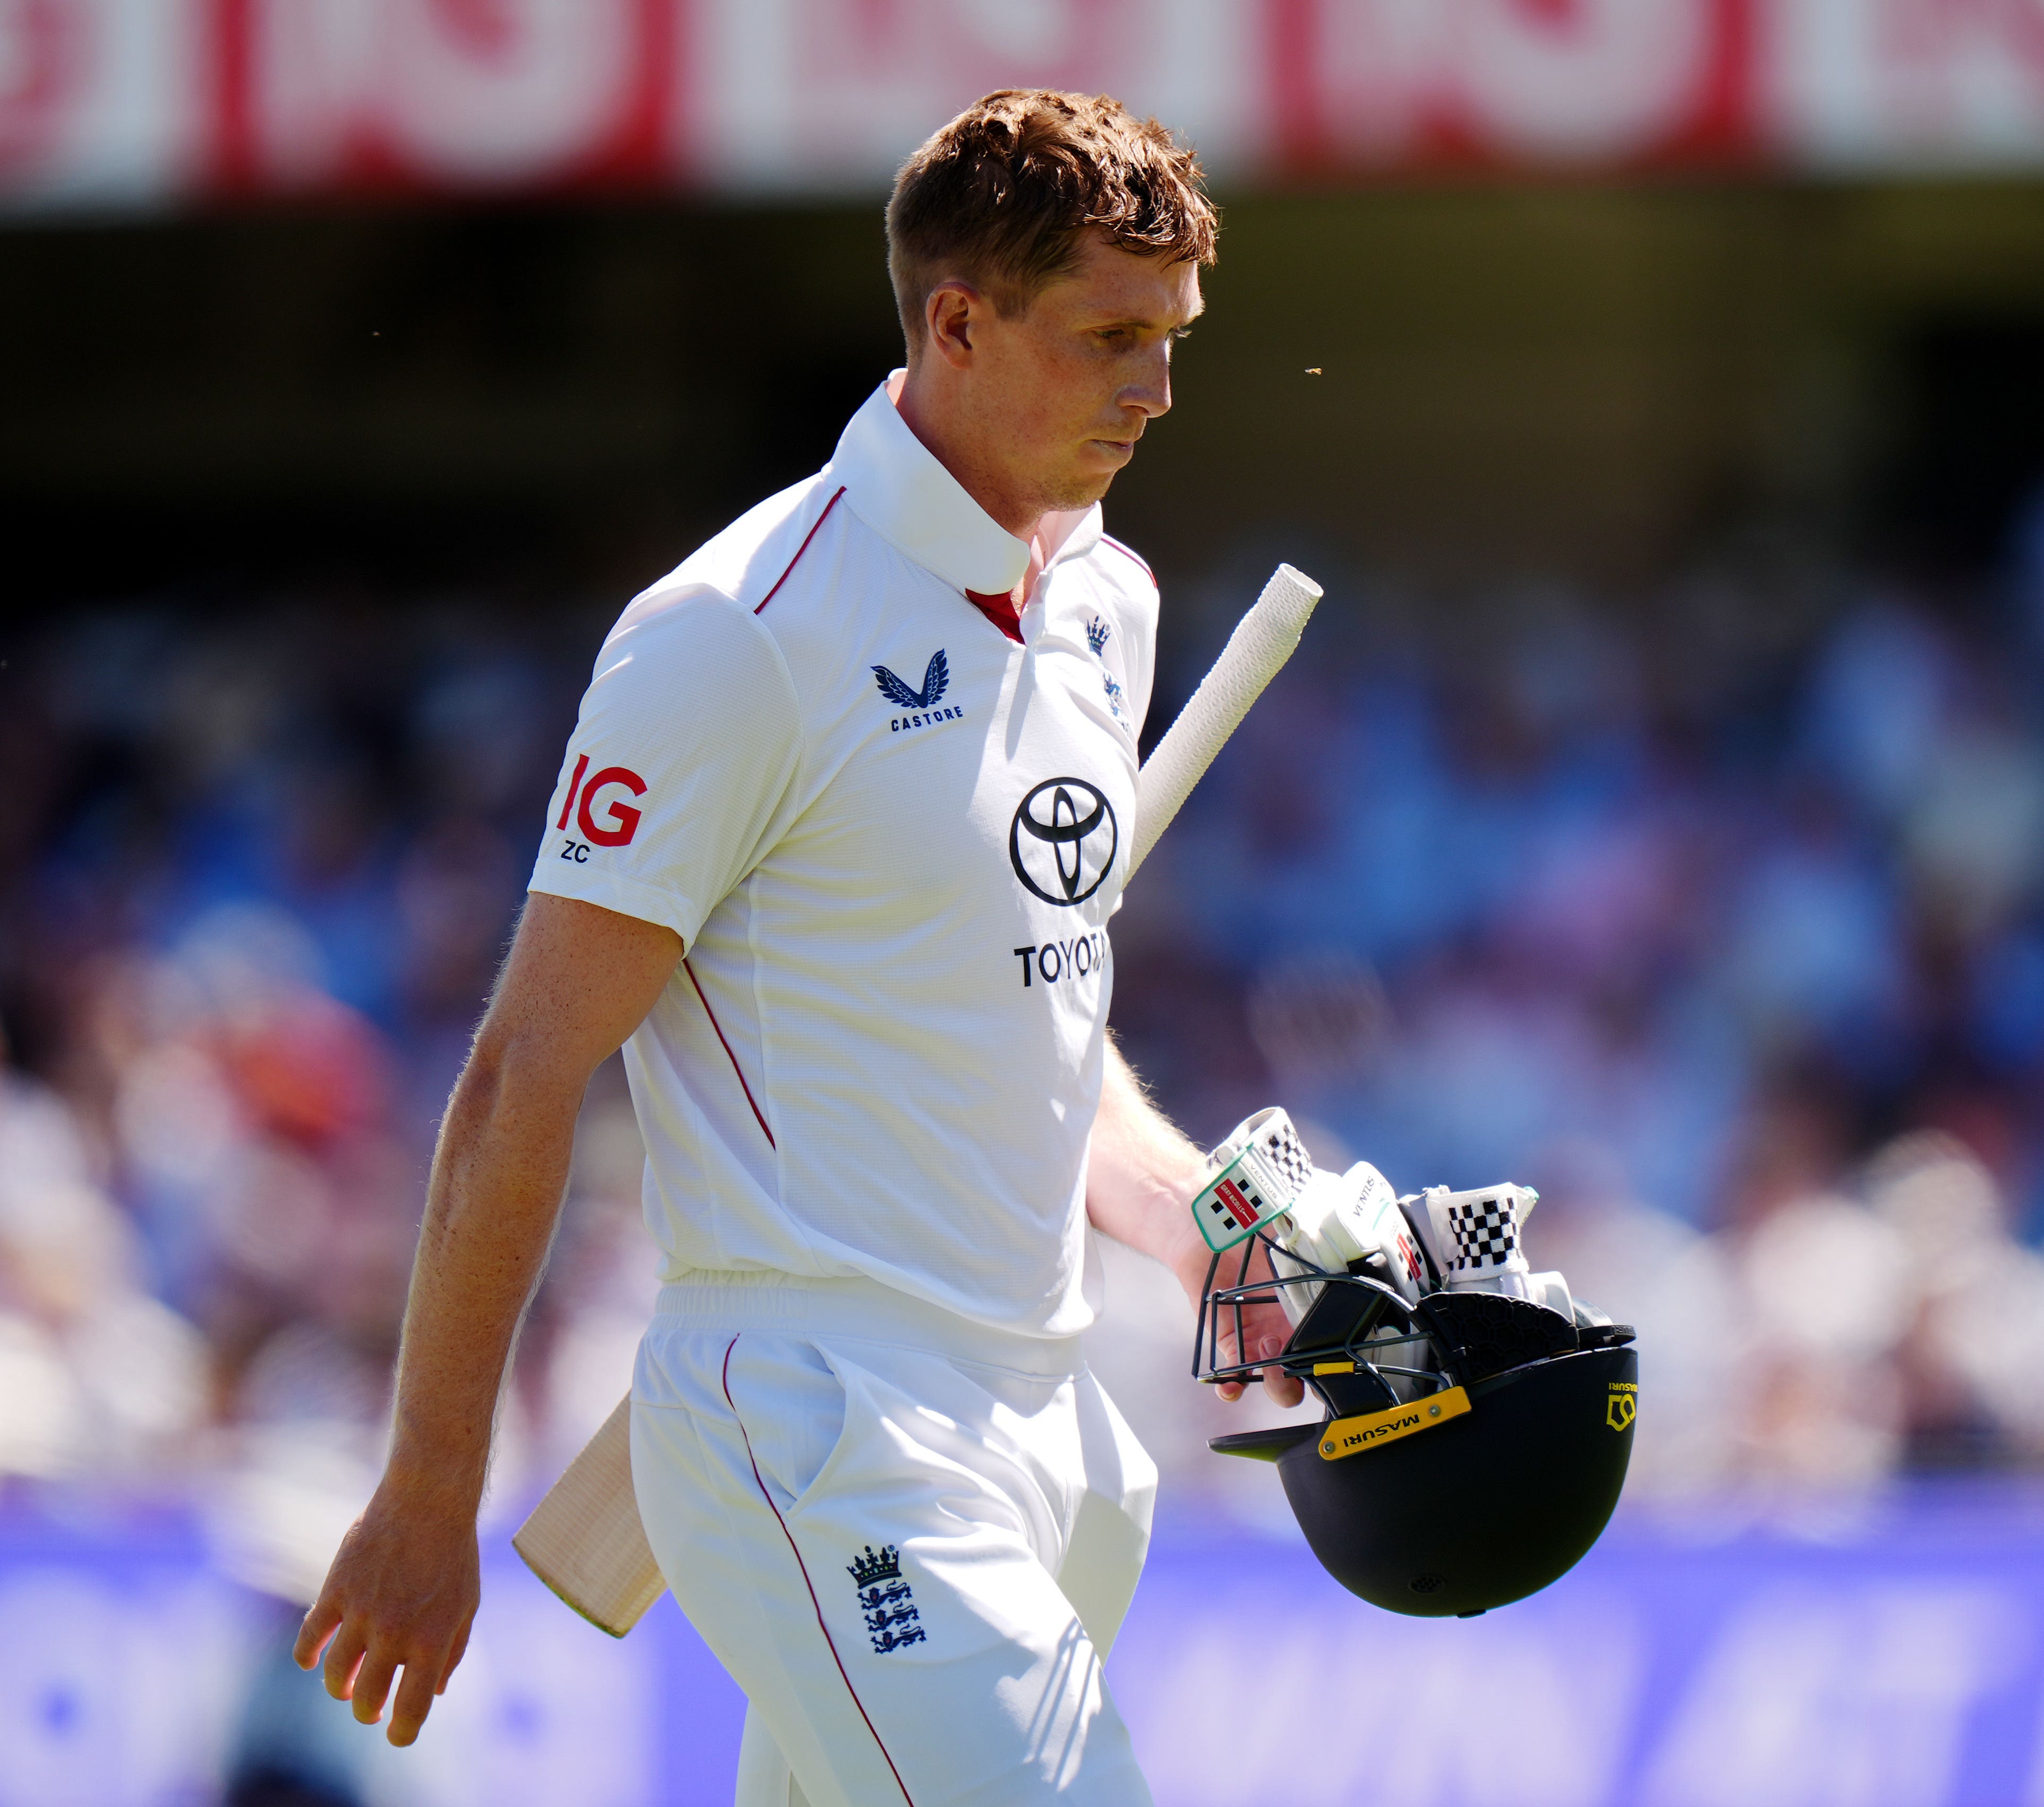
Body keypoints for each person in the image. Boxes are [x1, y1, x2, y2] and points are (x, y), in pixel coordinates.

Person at [291, 90, 1297, 1805]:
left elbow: (1035, 1031)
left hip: (1050, 1425)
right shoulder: (736, 633)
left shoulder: (1104, 601)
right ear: (958, 324)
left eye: (1174, 338)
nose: (1158, 389)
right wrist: (428, 1485)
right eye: (1111, 337)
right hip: (825, 1426)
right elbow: (526, 1073)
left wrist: (1210, 1229)